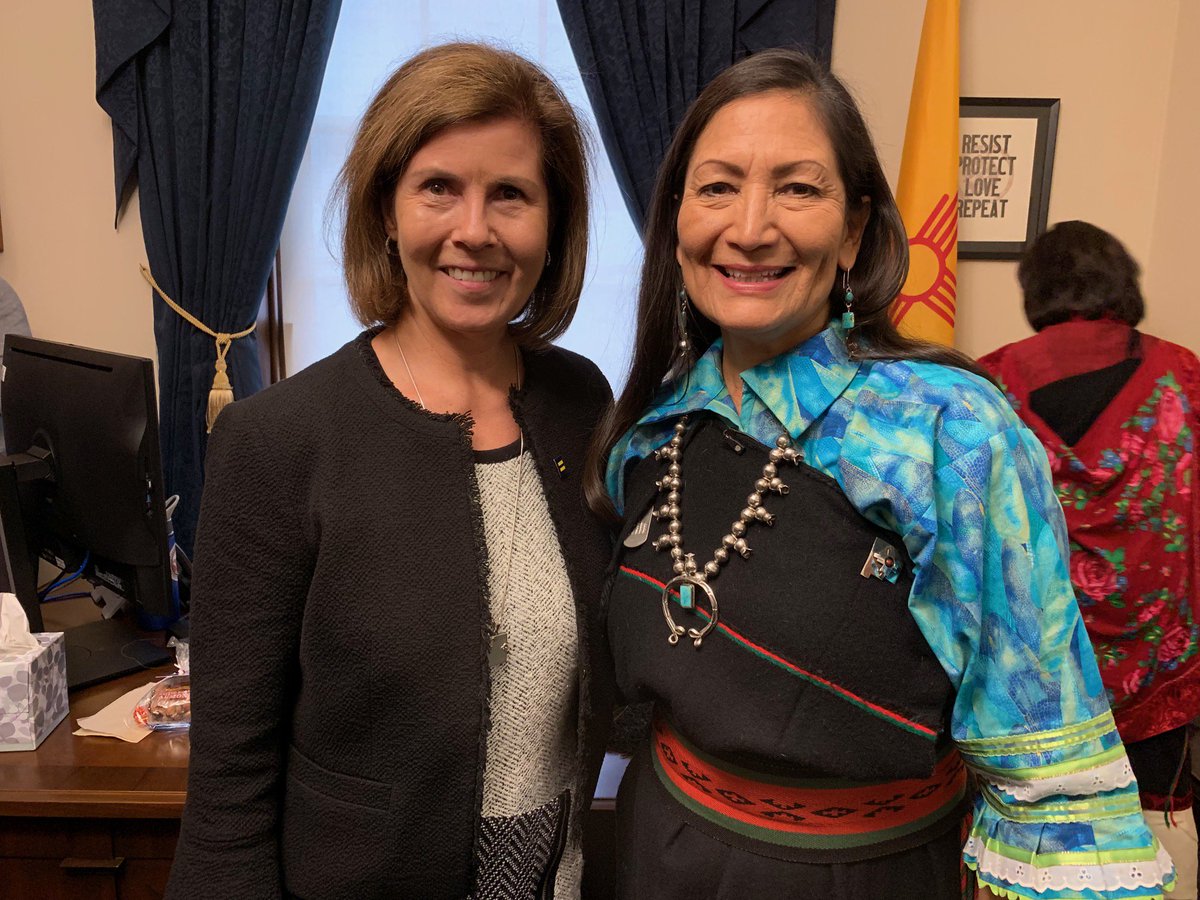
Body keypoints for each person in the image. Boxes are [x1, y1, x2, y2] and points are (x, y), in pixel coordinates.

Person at [586, 50, 1175, 899]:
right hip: (657, 846)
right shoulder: (653, 424)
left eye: (798, 187)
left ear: (856, 230)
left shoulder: (952, 431)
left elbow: (1049, 780)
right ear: (676, 217)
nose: (750, 227)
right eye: (717, 187)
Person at [166, 43, 613, 900]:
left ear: (552, 224)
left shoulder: (579, 403)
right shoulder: (278, 442)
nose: (473, 230)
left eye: (510, 194)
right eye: (438, 186)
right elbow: (229, 785)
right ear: (385, 209)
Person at [980, 221, 1200, 898]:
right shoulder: (1185, 378)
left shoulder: (989, 383)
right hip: (1161, 680)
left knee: (1033, 851)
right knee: (1158, 838)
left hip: (1035, 683)